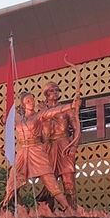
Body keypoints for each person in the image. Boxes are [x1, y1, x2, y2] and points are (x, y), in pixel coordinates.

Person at [0, 92, 73, 211]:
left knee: (49, 179)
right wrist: (5, 118)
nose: (32, 103)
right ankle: (5, 204)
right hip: (23, 152)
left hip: (36, 149)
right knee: (13, 178)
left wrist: (70, 106)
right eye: (28, 101)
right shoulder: (17, 118)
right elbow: (6, 122)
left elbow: (53, 111)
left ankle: (66, 207)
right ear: (23, 105)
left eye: (32, 100)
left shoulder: (39, 116)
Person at [37, 81, 82, 210]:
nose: (55, 92)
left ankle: (72, 211)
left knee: (69, 183)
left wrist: (74, 146)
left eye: (57, 90)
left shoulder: (67, 110)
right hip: (48, 148)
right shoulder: (40, 111)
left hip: (64, 146)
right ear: (46, 94)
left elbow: (77, 128)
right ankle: (47, 212)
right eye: (52, 90)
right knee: (50, 185)